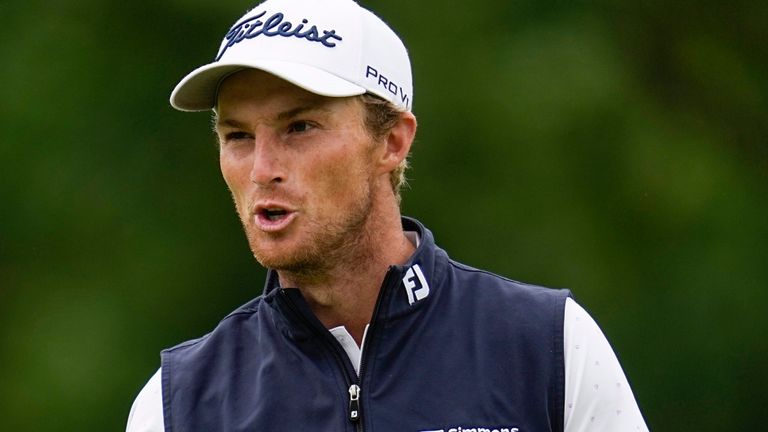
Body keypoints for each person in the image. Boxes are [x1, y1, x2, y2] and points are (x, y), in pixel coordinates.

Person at [126, 0, 648, 430]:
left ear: (392, 141)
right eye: (238, 136)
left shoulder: (548, 346)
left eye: (300, 127)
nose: (263, 169)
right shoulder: (177, 404)